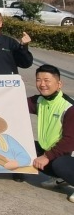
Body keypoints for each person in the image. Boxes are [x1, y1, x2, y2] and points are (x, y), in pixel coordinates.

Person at [28, 64, 74, 202]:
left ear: (59, 84)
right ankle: (61, 178)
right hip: (56, 152)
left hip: (69, 155)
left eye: (47, 80)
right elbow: (15, 103)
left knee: (59, 164)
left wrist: (47, 156)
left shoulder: (69, 108)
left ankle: (65, 174)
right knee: (27, 149)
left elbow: (70, 141)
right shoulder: (39, 100)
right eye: (38, 80)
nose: (42, 84)